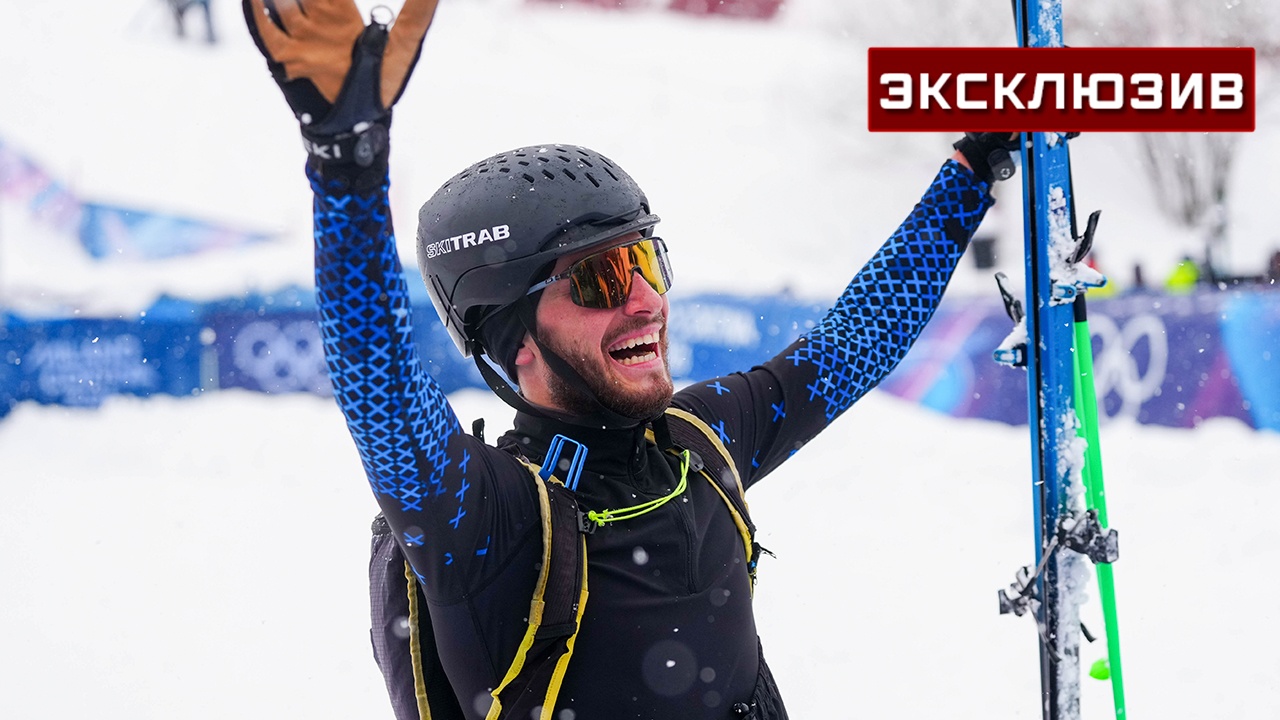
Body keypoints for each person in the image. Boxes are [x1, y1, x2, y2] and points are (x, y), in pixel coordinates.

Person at [243, 1, 1012, 718]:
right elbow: (379, 389)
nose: (646, 301)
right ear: (514, 340)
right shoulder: (490, 522)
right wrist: (347, 170)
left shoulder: (697, 443)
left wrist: (971, 171)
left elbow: (853, 345)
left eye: (645, 260)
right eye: (600, 280)